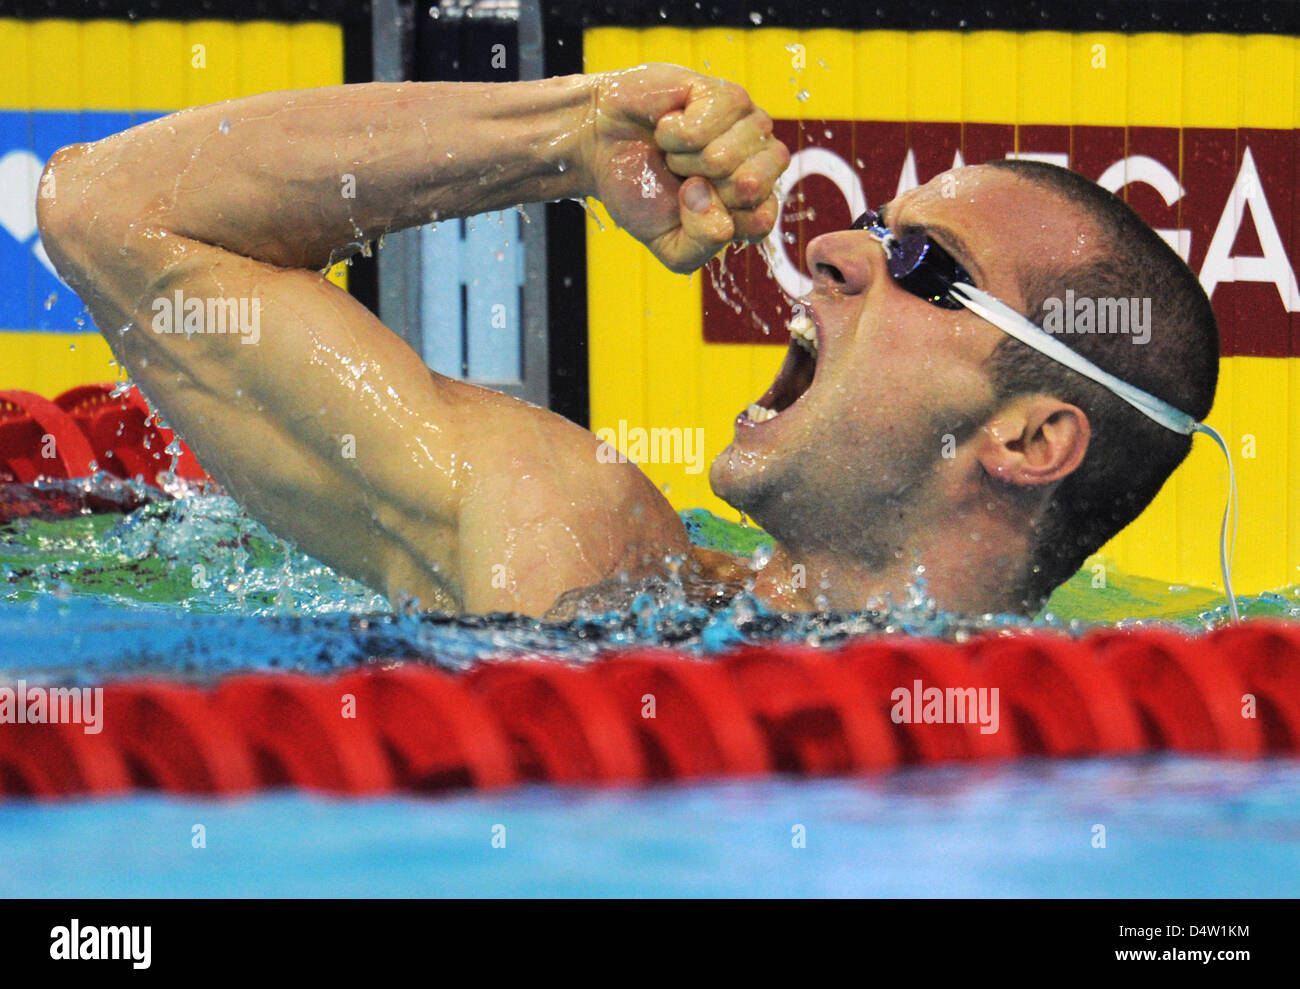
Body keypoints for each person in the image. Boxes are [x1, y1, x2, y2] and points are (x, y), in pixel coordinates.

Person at [35, 63, 1218, 619]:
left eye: (925, 266)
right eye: (869, 224)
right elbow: (107, 209)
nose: (832, 252)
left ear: (1031, 436)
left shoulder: (1124, 729)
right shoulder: (575, 555)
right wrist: (569, 132)